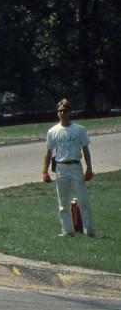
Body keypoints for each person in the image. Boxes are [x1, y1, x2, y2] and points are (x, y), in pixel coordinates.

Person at [41, 98, 95, 238]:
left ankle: (89, 231)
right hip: (61, 168)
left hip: (75, 166)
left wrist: (89, 168)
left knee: (83, 201)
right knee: (63, 203)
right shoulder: (53, 131)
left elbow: (85, 149)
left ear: (69, 112)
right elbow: (48, 152)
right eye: (60, 111)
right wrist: (44, 171)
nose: (62, 113)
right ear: (57, 113)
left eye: (65, 110)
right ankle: (67, 231)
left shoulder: (78, 129)